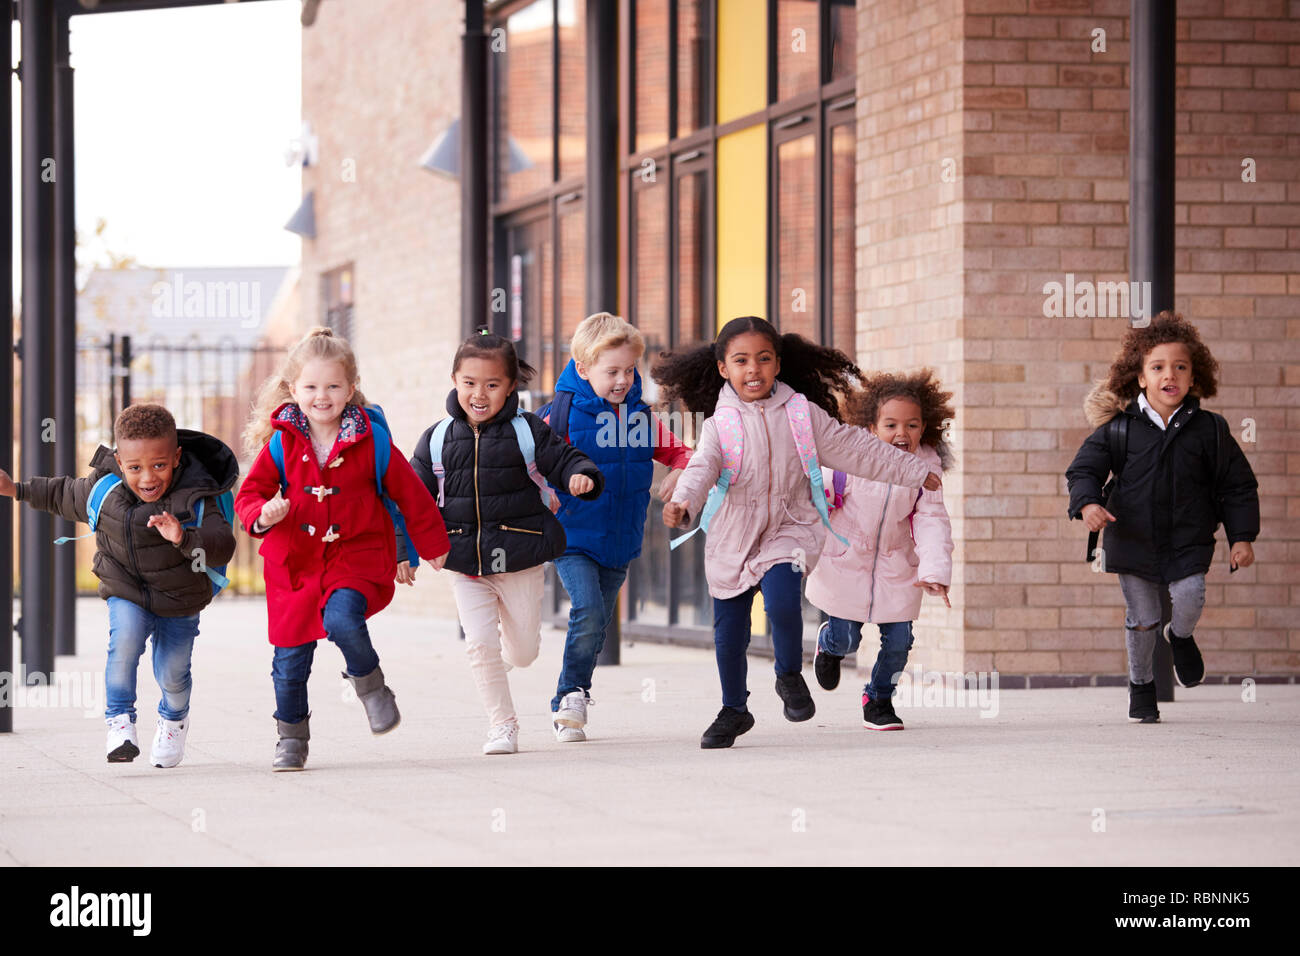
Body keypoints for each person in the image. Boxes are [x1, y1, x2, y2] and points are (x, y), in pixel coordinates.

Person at [654, 316, 941, 749]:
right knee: (728, 630)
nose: (754, 369)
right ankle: (734, 709)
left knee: (784, 598)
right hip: (734, 533)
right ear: (723, 369)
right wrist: (684, 504)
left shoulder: (802, 415)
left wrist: (913, 470)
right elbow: (701, 469)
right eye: (742, 360)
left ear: (778, 363)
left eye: (764, 359)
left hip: (790, 524)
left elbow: (856, 448)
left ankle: (788, 674)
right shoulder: (719, 425)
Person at [236, 327, 449, 771]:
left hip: (354, 556)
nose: (322, 396)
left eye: (333, 386)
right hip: (295, 564)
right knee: (289, 661)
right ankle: (291, 736)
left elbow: (410, 494)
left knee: (341, 618)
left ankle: (370, 685)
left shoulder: (371, 440)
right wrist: (264, 512)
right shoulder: (281, 442)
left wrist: (430, 543)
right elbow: (249, 496)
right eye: (311, 387)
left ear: (351, 389)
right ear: (293, 390)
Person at [1, 403, 237, 768]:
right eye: (135, 467)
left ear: (176, 457)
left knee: (173, 674)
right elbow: (61, 493)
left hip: (181, 598)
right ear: (119, 460)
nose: (147, 478)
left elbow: (223, 542)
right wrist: (16, 489)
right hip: (126, 589)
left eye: (159, 465)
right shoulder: (105, 488)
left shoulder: (197, 493)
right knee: (123, 644)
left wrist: (184, 536)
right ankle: (120, 722)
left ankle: (174, 719)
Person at [402, 331, 604, 755]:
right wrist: (405, 549)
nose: (480, 393)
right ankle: (502, 725)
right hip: (464, 561)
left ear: (511, 386)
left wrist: (578, 475)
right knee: (479, 645)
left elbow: (563, 458)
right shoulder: (436, 438)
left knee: (525, 652)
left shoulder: (527, 431)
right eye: (470, 382)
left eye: (492, 384)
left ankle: (506, 658)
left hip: (519, 557)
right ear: (454, 380)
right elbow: (411, 497)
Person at [1066, 311, 1259, 723]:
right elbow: (1084, 470)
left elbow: (1237, 485)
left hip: (1188, 537)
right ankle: (1141, 687)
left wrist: (1241, 537)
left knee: (1189, 598)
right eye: (1157, 367)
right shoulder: (1119, 429)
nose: (1169, 374)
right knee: (1143, 620)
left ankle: (1181, 636)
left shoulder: (1210, 430)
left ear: (1193, 378)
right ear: (1140, 377)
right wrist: (1087, 504)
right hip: (1132, 537)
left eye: (1180, 367)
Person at [537, 312, 691, 742]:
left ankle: (578, 689)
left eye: (629, 370)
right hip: (572, 536)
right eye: (612, 372)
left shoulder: (641, 418)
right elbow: (528, 466)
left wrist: (680, 471)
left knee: (598, 620)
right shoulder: (559, 417)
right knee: (587, 611)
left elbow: (682, 453)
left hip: (621, 539)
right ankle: (569, 696)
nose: (623, 380)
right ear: (584, 370)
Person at [805, 369, 954, 731]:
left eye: (912, 425)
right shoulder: (848, 460)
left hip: (896, 567)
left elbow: (932, 520)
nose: (902, 434)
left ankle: (879, 699)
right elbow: (814, 495)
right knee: (848, 638)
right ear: (871, 427)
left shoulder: (927, 471)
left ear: (925, 427)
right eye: (891, 425)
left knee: (900, 641)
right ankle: (829, 645)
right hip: (845, 563)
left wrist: (934, 571)